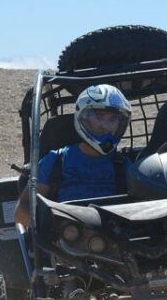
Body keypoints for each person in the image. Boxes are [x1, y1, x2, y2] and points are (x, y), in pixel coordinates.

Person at [14, 84, 132, 227]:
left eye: (113, 119)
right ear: (84, 118)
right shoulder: (56, 161)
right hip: (65, 238)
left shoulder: (123, 166)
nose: (106, 126)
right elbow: (22, 210)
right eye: (100, 117)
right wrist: (50, 227)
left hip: (116, 238)